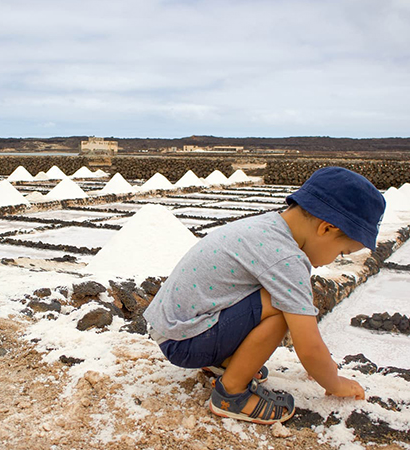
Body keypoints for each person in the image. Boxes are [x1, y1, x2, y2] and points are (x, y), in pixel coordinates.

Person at [143, 166, 386, 424]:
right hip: (184, 341)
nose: (333, 260)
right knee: (282, 306)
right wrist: (334, 382)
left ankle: (225, 361)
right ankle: (231, 394)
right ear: (326, 228)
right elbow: (310, 347)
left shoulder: (268, 226)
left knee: (278, 297)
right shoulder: (286, 258)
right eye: (342, 253)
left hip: (173, 329)